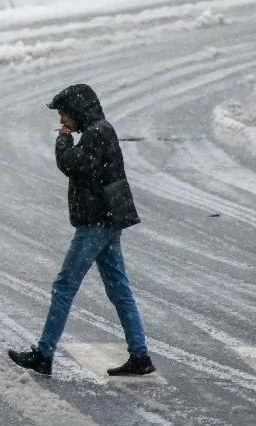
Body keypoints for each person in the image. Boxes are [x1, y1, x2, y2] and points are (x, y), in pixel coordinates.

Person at [8, 84, 155, 377]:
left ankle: (44, 354)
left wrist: (62, 142)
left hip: (96, 223)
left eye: (64, 115)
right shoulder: (100, 131)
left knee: (64, 286)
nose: (62, 122)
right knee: (118, 289)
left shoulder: (96, 134)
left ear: (78, 111)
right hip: (108, 220)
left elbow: (71, 164)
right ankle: (139, 356)